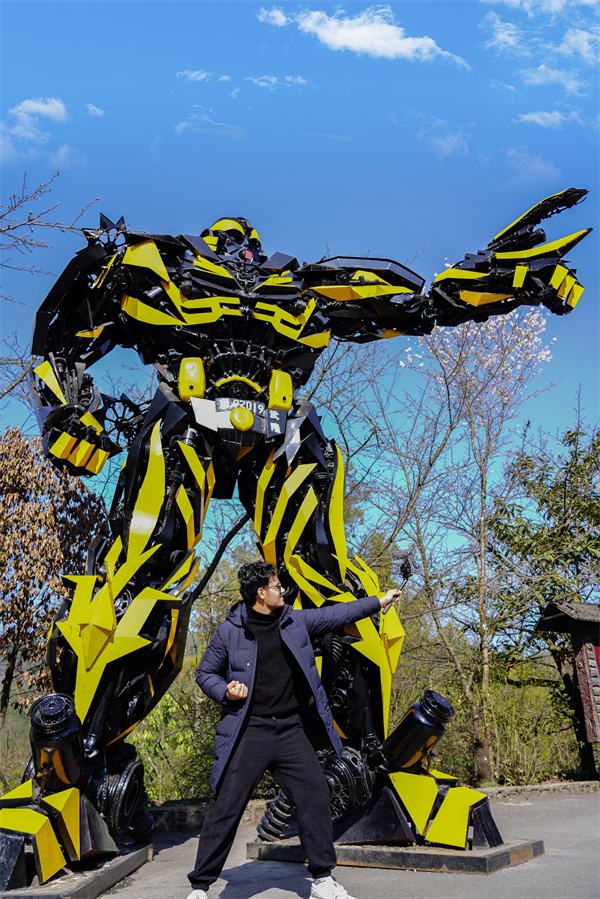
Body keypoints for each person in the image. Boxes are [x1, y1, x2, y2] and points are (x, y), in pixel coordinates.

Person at [186, 560, 402, 899]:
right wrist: (225, 690)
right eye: (276, 586)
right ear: (261, 593)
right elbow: (205, 674)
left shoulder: (294, 620)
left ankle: (322, 880)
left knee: (315, 794)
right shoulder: (230, 631)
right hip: (249, 731)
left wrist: (378, 601)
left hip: (290, 729)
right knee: (225, 806)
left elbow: (337, 614)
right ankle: (200, 887)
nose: (282, 590)